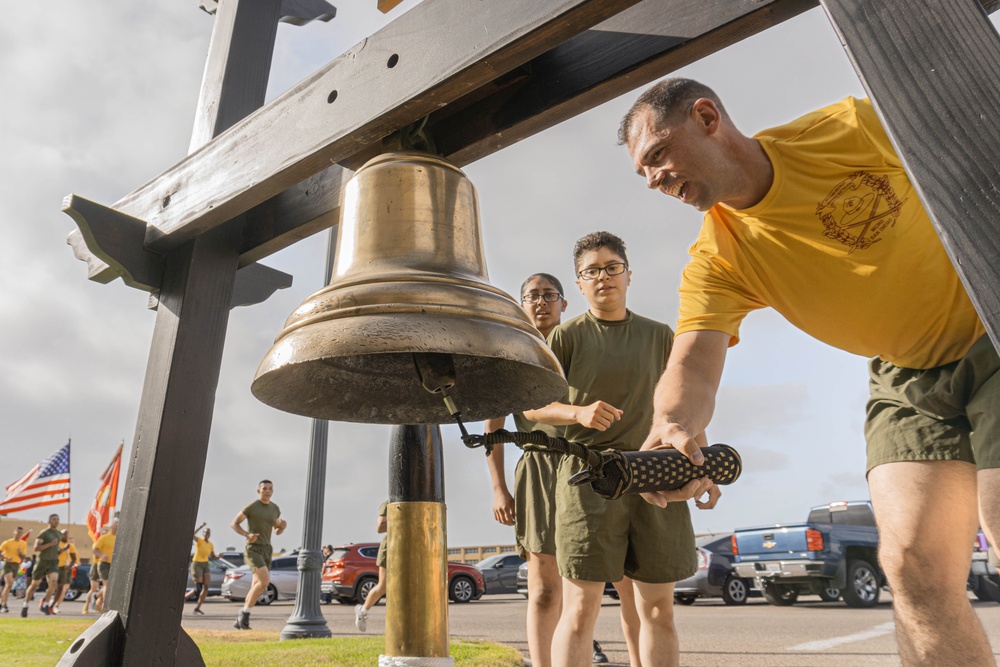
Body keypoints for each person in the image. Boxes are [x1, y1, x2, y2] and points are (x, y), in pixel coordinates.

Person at [620, 77, 998, 666]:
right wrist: (672, 425)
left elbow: (975, 131)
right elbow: (692, 363)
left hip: (990, 331)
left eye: (657, 155)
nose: (653, 179)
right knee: (912, 568)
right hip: (905, 377)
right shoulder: (719, 256)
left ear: (706, 117)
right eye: (642, 172)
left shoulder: (850, 129)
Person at [524, 232, 719, 667]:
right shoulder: (564, 338)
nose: (603, 277)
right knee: (580, 611)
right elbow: (533, 405)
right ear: (579, 283)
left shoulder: (661, 335)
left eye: (612, 267)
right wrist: (577, 413)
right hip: (588, 482)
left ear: (628, 274)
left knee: (658, 610)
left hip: (658, 476)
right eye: (591, 271)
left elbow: (687, 407)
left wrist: (702, 468)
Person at [484, 272, 614, 666]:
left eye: (548, 295)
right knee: (543, 588)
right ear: (522, 306)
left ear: (563, 303)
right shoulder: (512, 354)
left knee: (586, 581)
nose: (540, 302)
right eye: (532, 296)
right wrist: (499, 489)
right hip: (538, 470)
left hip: (585, 462)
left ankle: (579, 649)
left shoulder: (584, 345)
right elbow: (493, 429)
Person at [231, 479, 286, 630]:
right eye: (264, 489)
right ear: (258, 491)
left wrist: (282, 527)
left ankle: (241, 618)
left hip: (267, 549)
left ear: (272, 491)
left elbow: (277, 530)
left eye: (270, 489)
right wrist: (246, 534)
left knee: (257, 585)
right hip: (253, 549)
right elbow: (234, 523)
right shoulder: (252, 507)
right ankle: (244, 616)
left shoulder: (275, 508)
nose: (267, 491)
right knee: (264, 582)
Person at [21, 513, 62, 617]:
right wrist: (50, 544)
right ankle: (25, 605)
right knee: (34, 585)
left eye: (57, 519)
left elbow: (55, 548)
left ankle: (46, 604)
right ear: (49, 521)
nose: (56, 521)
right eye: (54, 519)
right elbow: (36, 548)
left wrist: (59, 550)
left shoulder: (58, 534)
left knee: (53, 582)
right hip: (42, 562)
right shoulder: (44, 533)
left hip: (53, 562)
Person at [355, 500, 388, 632]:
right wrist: (402, 519)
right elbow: (379, 527)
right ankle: (362, 611)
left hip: (409, 546)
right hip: (391, 547)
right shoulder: (388, 504)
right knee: (383, 586)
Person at [185, 522, 217, 615]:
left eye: (208, 532)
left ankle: (197, 608)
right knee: (199, 588)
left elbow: (213, 556)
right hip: (197, 563)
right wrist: (201, 526)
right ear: (203, 533)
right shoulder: (199, 541)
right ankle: (185, 597)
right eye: (205, 532)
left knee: (206, 586)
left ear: (209, 534)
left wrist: (219, 557)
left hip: (205, 564)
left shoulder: (210, 544)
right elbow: (192, 535)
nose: (206, 534)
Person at [0, 526, 27, 613]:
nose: (19, 534)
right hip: (8, 564)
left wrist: (20, 553)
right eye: (18, 532)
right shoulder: (7, 542)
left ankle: (1, 603)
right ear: (14, 533)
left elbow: (24, 556)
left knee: (8, 586)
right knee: (9, 584)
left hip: (16, 564)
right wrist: (5, 558)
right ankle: (4, 605)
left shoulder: (23, 543)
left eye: (21, 532)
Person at [93, 521, 118, 611]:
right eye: (115, 526)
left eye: (118, 526)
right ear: (111, 527)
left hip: (114, 565)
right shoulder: (104, 538)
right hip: (103, 564)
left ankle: (97, 596)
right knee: (107, 584)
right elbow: (95, 550)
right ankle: (105, 606)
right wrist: (102, 555)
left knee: (110, 586)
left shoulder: (120, 539)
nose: (117, 527)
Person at [51, 531, 78, 614]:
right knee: (56, 587)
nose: (65, 536)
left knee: (63, 589)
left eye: (67, 534)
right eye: (64, 534)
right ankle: (50, 602)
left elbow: (74, 558)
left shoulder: (71, 546)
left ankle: (56, 605)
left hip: (67, 569)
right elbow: (56, 553)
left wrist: (70, 566)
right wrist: (65, 549)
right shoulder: (57, 544)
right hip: (57, 567)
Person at [82, 530, 103, 615]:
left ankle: (98, 603)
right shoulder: (96, 544)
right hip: (96, 566)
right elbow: (96, 553)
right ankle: (86, 605)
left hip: (107, 566)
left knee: (107, 587)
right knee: (93, 588)